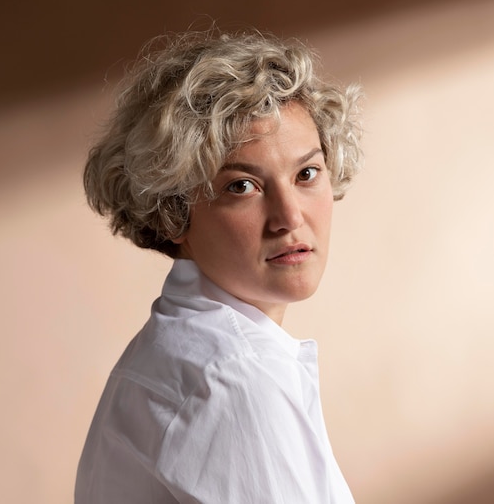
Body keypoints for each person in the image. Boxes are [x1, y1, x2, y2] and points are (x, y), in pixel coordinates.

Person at [75, 29, 363, 503]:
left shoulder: (182, 350)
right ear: (174, 212)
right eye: (241, 187)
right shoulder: (232, 378)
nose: (290, 217)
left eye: (306, 174)